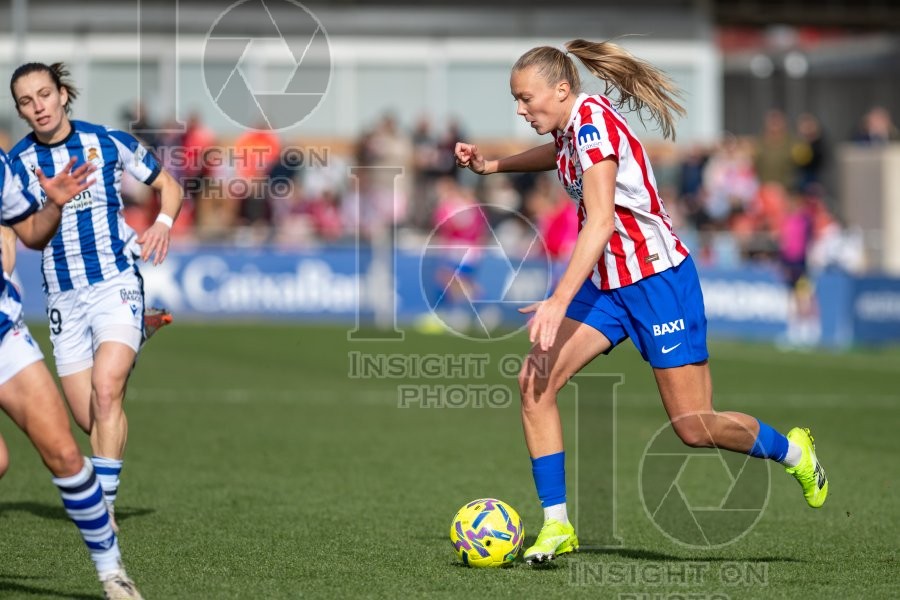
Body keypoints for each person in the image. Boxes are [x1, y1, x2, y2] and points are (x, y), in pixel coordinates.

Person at [455, 39, 829, 565]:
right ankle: (558, 525)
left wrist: (558, 299)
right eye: (515, 99)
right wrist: (492, 166)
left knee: (694, 426)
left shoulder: (592, 126)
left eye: (525, 98)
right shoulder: (571, 126)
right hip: (608, 283)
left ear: (560, 90)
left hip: (657, 284)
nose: (519, 109)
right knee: (534, 383)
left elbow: (601, 221)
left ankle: (793, 452)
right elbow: (559, 157)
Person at [7, 62, 184, 533]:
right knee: (92, 418)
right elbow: (24, 235)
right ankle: (138, 333)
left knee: (107, 392)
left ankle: (103, 509)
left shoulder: (106, 141)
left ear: (63, 94)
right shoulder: (18, 164)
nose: (38, 106)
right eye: (26, 101)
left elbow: (168, 186)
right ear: (20, 111)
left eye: (45, 94)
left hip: (114, 281)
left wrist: (163, 224)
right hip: (63, 297)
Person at [0, 150, 143, 599]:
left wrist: (54, 205)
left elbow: (30, 234)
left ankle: (114, 576)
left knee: (65, 453)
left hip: (3, 334)